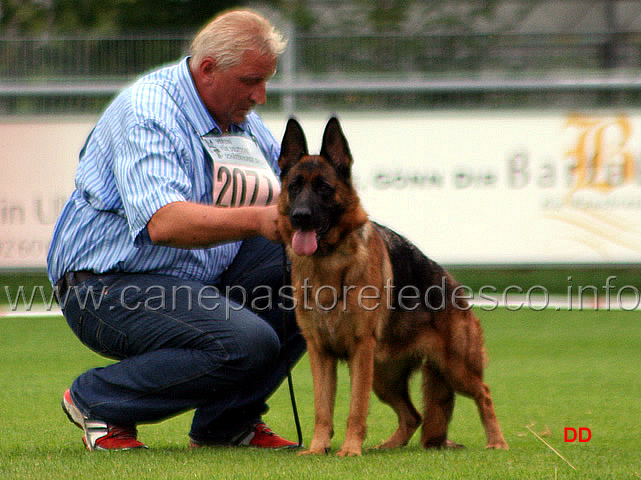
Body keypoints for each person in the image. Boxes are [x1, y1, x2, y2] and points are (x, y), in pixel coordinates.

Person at [47, 9, 306, 451]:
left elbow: (284, 193)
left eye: (266, 81)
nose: (261, 95)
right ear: (208, 69)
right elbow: (163, 222)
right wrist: (259, 219)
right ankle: (98, 400)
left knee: (313, 271)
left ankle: (227, 425)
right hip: (106, 288)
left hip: (196, 280)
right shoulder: (148, 111)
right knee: (248, 342)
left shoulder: (237, 116)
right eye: (250, 81)